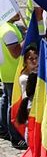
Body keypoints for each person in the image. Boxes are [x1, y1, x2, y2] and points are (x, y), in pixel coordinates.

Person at [0, 20, 24, 148]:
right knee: (12, 104)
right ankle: (15, 137)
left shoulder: (3, 26)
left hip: (5, 70)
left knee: (5, 100)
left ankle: (3, 128)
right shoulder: (9, 31)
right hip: (13, 71)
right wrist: (27, 38)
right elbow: (15, 52)